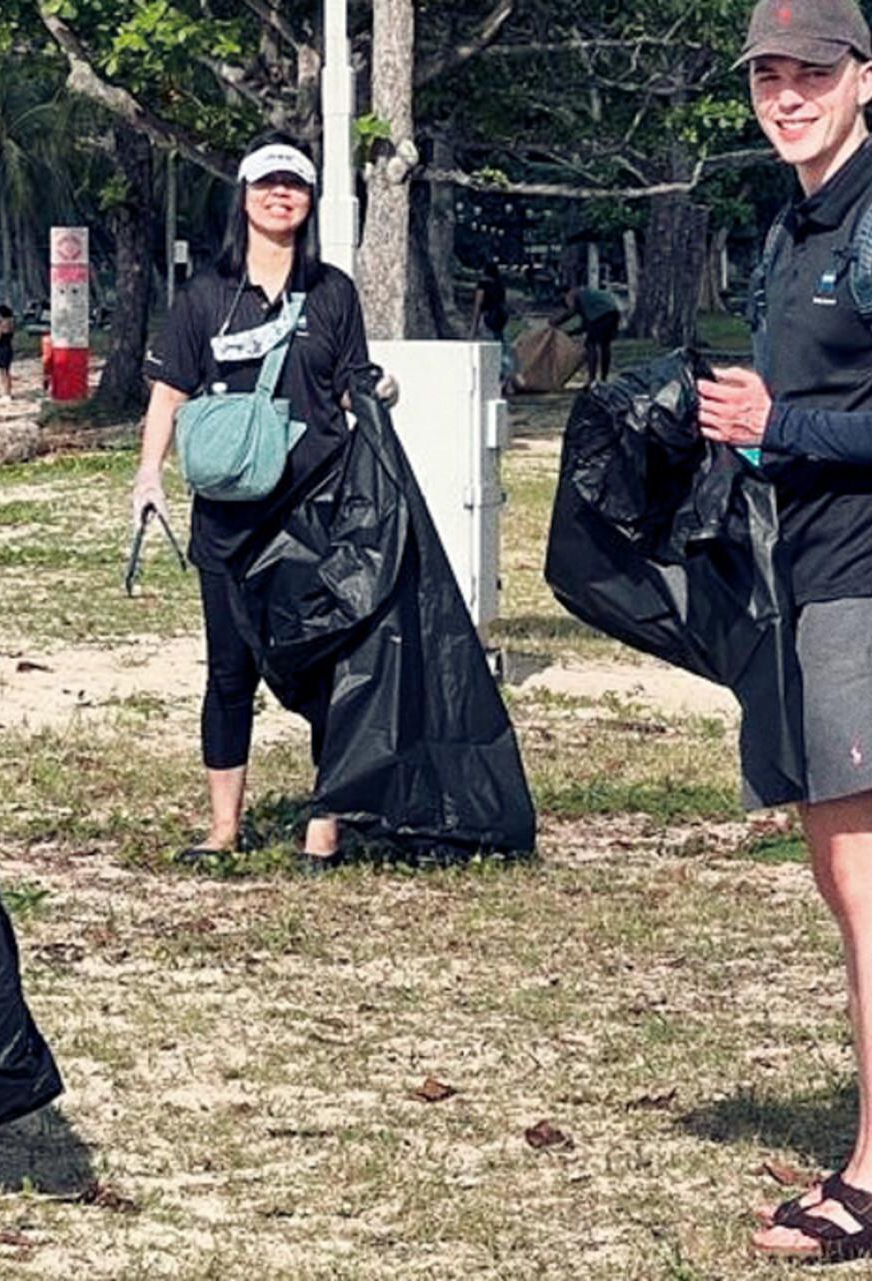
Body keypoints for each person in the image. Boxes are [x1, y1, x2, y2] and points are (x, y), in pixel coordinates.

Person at [694, 0, 872, 1262]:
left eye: (814, 69)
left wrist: (780, 427)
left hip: (867, 583)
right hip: (808, 577)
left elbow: (811, 419)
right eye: (770, 72)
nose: (789, 92)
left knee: (867, 891)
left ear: (865, 75)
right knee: (842, 878)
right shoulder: (796, 223)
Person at [134, 132, 394, 872]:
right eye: (266, 185)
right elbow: (170, 388)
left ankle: (325, 826)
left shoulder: (334, 292)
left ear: (308, 203)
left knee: (324, 668)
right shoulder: (205, 296)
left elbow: (349, 382)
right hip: (228, 515)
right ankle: (223, 826)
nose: (280, 196)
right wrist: (148, 475)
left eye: (295, 186)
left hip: (315, 510)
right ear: (243, 198)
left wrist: (378, 403)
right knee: (227, 672)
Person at [552, 283, 621, 384]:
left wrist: (557, 323)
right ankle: (604, 377)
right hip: (613, 313)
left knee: (590, 345)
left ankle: (592, 378)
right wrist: (569, 332)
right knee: (605, 345)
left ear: (566, 294)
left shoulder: (576, 296)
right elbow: (587, 324)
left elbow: (575, 316)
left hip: (602, 315)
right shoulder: (586, 294)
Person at [470, 261, 509, 342]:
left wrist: (473, 329)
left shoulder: (482, 285)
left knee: (486, 342)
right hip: (499, 318)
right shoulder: (500, 286)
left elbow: (478, 305)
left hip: (486, 318)